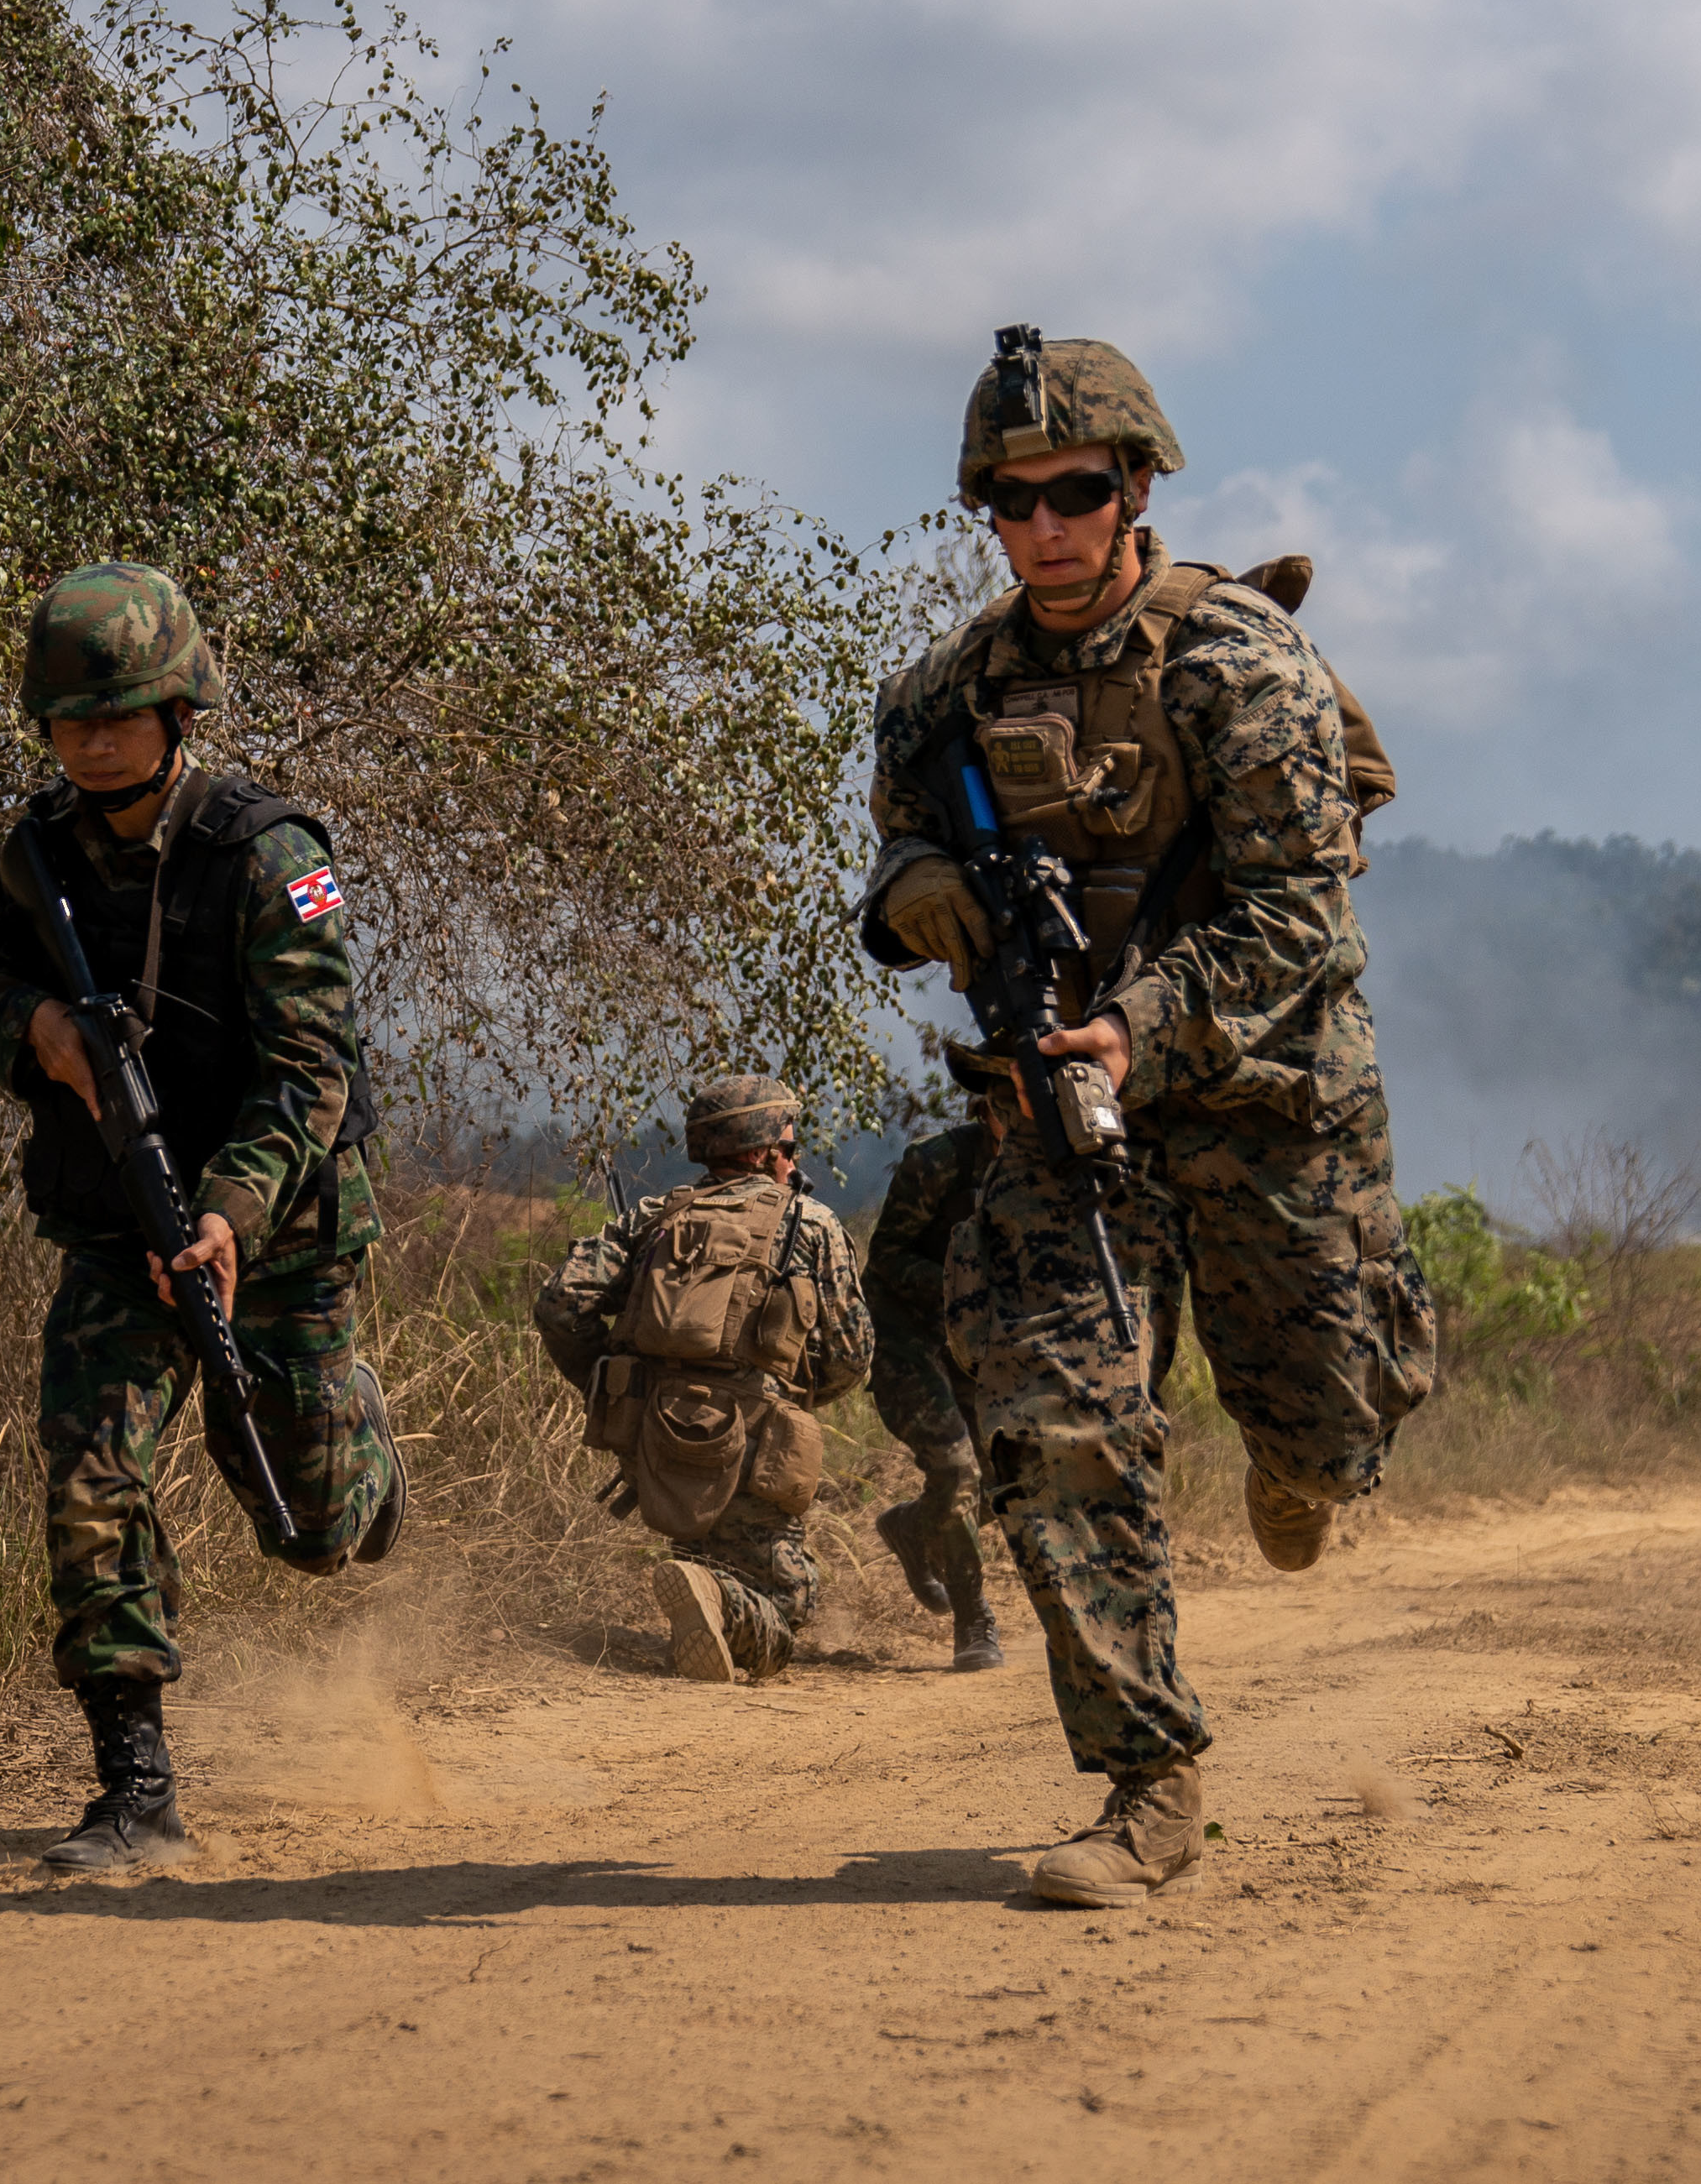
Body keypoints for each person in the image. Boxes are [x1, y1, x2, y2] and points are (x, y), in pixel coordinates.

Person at [862, 328, 1435, 1909]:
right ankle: (1146, 1783)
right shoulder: (950, 692)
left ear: (1135, 490)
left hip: (1258, 1101)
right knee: (1052, 1421)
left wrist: (1138, 1024)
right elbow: (899, 846)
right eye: (1011, 498)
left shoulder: (1240, 667)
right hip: (1052, 1111)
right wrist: (931, 906)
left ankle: (1309, 1457)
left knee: (1323, 1418)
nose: (1042, 524)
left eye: (1075, 492)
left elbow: (1296, 920)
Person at [0, 562, 401, 1875]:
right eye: (70, 718)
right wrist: (32, 1028)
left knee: (311, 1529)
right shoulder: (38, 850)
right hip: (115, 1222)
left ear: (181, 713)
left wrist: (230, 1212)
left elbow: (312, 1066)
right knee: (92, 1472)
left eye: (123, 713)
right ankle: (134, 1789)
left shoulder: (269, 854)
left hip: (282, 1221)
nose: (93, 738)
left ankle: (359, 1447)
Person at [534, 1078, 872, 1685]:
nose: (795, 1159)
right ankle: (716, 1597)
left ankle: (704, 1604)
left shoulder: (655, 1217)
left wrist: (610, 1383)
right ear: (761, 1151)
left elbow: (561, 1302)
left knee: (701, 1548)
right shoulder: (813, 1223)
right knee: (787, 1610)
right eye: (790, 1147)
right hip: (758, 1444)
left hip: (656, 1435)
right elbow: (852, 1355)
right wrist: (790, 1392)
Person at [864, 1111, 1009, 1673]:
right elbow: (886, 1257)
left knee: (1016, 1477)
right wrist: (960, 1281)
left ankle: (912, 1526)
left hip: (980, 1343)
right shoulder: (937, 1162)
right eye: (1008, 1102)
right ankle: (973, 1616)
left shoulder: (1048, 1164)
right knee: (955, 1469)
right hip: (906, 1337)